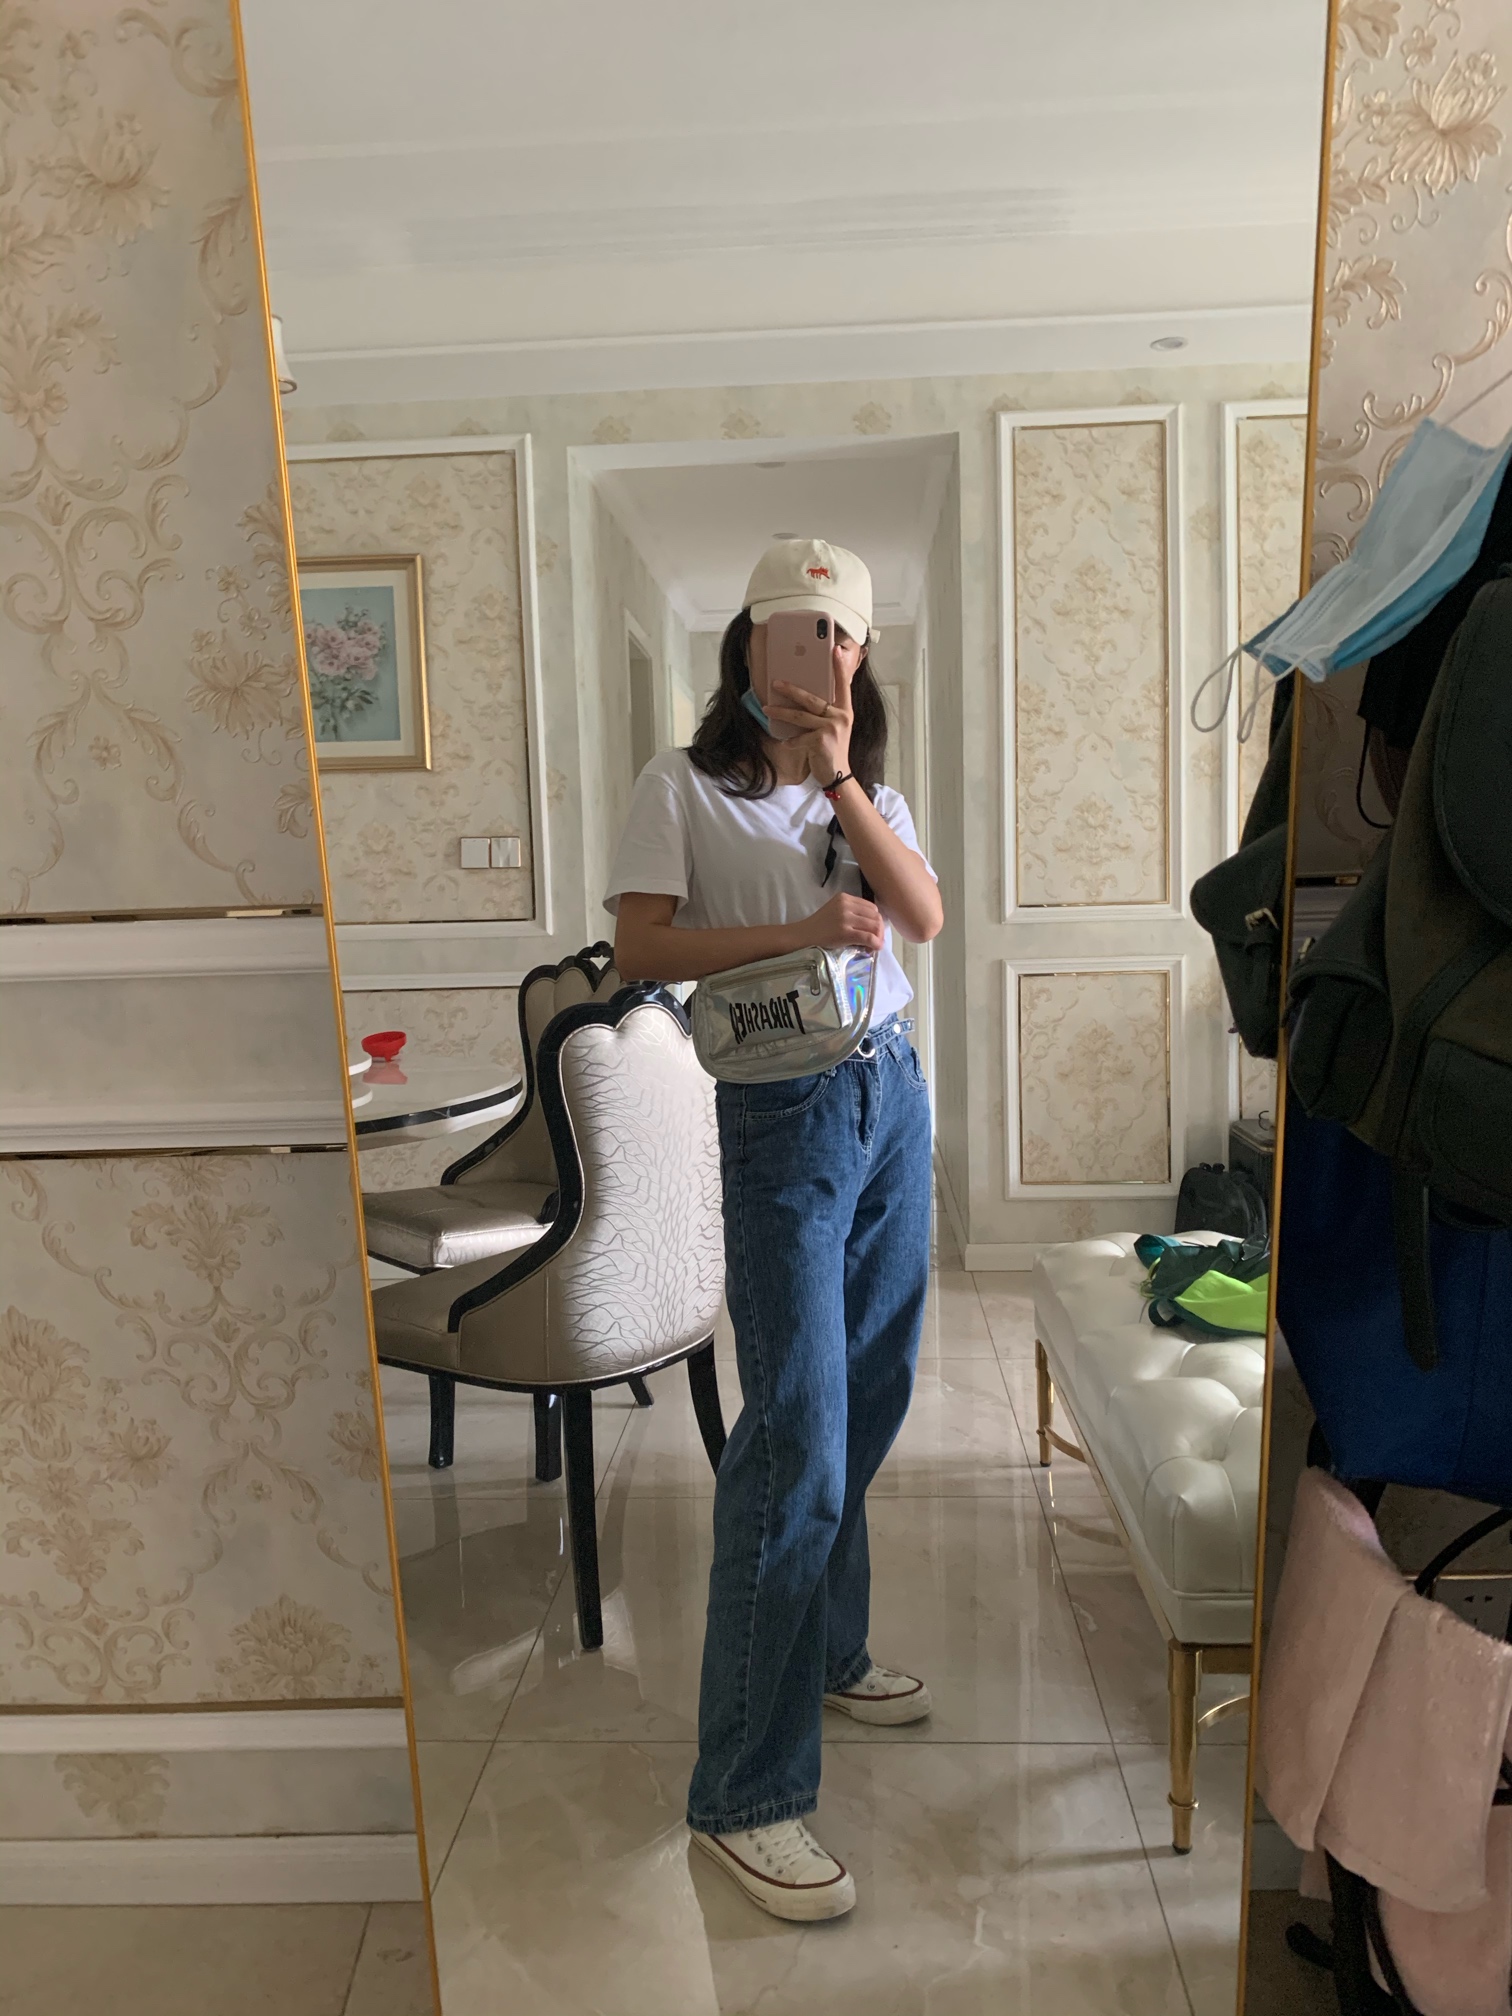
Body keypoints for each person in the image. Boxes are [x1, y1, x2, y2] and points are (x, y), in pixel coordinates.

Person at [606, 537, 943, 1921]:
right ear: (747, 644)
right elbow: (641, 949)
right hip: (781, 1109)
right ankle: (744, 1795)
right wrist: (798, 930)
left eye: (844, 633)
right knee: (796, 1430)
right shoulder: (679, 785)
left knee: (869, 1394)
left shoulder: (874, 793)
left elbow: (921, 918)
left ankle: (833, 1649)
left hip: (891, 1097)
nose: (822, 652)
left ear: (863, 657)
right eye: (796, 628)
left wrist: (843, 779)